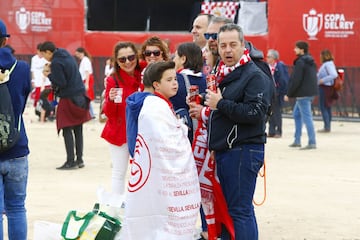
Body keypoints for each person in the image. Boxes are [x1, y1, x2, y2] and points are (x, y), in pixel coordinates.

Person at [203, 23, 272, 240]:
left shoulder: (254, 75)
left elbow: (256, 112)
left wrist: (220, 103)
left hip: (242, 150)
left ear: (244, 46)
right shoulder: (224, 72)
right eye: (223, 45)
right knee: (235, 210)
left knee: (240, 211)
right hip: (229, 150)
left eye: (233, 44)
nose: (227, 50)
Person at [122, 61, 200, 239]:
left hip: (156, 175)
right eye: (169, 80)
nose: (175, 83)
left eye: (175, 79)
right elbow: (163, 142)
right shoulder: (154, 108)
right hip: (159, 174)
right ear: (156, 84)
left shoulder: (158, 104)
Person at [0, 19, 31, 240]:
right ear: (5, 40)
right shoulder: (21, 68)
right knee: (17, 207)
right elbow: (22, 101)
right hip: (17, 146)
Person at [40, 41, 92, 169]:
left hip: (69, 97)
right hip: (81, 95)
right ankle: (79, 160)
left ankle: (70, 161)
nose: (43, 58)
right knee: (78, 129)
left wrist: (49, 74)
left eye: (43, 55)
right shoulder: (65, 54)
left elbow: (61, 83)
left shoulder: (57, 62)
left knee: (66, 128)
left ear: (48, 52)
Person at [101, 42, 142, 196]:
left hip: (141, 132)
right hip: (120, 132)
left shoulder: (144, 74)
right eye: (122, 59)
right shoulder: (114, 80)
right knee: (119, 172)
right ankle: (116, 209)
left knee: (141, 172)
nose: (127, 62)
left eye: (131, 57)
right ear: (116, 62)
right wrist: (109, 100)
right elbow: (110, 114)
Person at [171, 42, 207, 143]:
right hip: (205, 139)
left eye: (175, 56)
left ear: (183, 59)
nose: (173, 60)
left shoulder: (174, 80)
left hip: (181, 139)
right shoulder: (209, 80)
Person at [285, 41, 318, 150]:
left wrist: (289, 93)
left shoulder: (300, 62)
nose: (294, 49)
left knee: (307, 117)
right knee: (297, 114)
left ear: (301, 50)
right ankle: (297, 140)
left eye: (296, 48)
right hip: (310, 92)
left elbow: (296, 79)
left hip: (303, 94)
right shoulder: (310, 61)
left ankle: (312, 142)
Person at [266, 49, 289, 138]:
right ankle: (271, 131)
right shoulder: (266, 67)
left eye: (268, 57)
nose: (266, 58)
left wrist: (284, 93)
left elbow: (284, 80)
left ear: (273, 58)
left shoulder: (280, 66)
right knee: (269, 112)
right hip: (269, 93)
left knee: (277, 113)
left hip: (278, 93)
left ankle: (279, 131)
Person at [317, 49, 338, 133]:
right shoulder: (330, 64)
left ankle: (327, 126)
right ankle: (327, 125)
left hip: (325, 87)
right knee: (327, 106)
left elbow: (334, 74)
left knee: (324, 106)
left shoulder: (327, 64)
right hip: (328, 87)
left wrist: (323, 80)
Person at [74, 47, 95, 118]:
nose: (77, 56)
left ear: (81, 53)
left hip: (86, 79)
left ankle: (91, 114)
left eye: (77, 54)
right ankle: (90, 114)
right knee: (85, 97)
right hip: (85, 79)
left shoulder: (85, 60)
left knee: (86, 97)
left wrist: (86, 83)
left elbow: (87, 72)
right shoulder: (83, 60)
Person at [31, 42, 51, 108]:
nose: (41, 54)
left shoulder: (46, 59)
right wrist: (33, 80)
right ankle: (37, 109)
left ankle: (50, 110)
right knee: (37, 97)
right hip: (38, 81)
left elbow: (48, 69)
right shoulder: (34, 59)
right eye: (39, 52)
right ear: (37, 51)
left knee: (49, 97)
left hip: (46, 81)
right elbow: (32, 70)